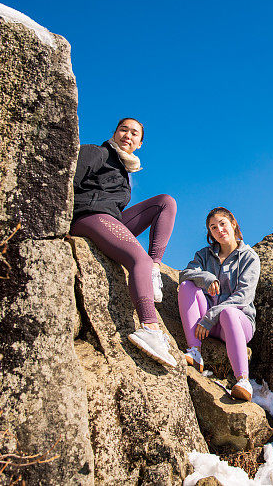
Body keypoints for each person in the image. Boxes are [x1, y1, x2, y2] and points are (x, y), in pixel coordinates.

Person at [70, 117, 178, 367]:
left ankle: (154, 268)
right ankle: (149, 328)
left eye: (134, 134)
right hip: (89, 215)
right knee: (137, 257)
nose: (128, 135)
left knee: (166, 202)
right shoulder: (96, 152)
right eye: (123, 130)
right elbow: (68, 183)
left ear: (140, 143)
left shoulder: (123, 169)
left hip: (110, 219)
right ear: (115, 133)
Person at [178, 207, 260, 401]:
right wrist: (206, 278)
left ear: (233, 224)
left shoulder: (249, 257)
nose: (219, 230)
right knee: (186, 286)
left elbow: (243, 297)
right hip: (207, 325)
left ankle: (243, 381)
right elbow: (185, 274)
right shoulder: (204, 255)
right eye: (213, 227)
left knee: (229, 313)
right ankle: (195, 352)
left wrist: (211, 315)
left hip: (237, 324)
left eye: (222, 224)